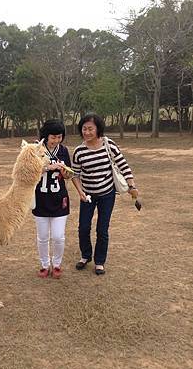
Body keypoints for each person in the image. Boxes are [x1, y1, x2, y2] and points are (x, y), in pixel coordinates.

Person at [71, 113, 138, 275]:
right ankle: (86, 255)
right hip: (87, 195)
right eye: (84, 129)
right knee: (83, 227)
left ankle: (100, 261)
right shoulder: (79, 151)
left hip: (107, 194)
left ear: (98, 129)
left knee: (102, 228)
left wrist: (132, 186)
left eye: (90, 129)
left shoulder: (109, 145)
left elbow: (123, 166)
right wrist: (80, 192)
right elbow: (75, 174)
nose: (86, 132)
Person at [32, 119, 71, 279]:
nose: (56, 140)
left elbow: (68, 175)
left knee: (58, 236)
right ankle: (44, 265)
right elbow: (29, 171)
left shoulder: (63, 151)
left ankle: (56, 264)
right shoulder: (36, 149)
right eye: (53, 137)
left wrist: (65, 171)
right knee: (42, 237)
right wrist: (48, 167)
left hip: (59, 199)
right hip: (40, 199)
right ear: (46, 136)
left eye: (59, 137)